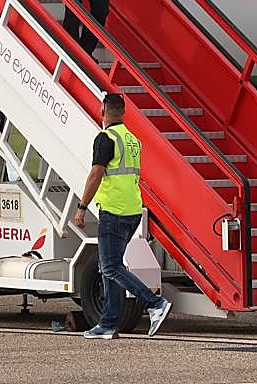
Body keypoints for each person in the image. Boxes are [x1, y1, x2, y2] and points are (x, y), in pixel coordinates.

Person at [73, 94, 172, 339]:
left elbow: (96, 174)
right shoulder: (132, 139)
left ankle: (154, 303)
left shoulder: (105, 138)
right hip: (132, 210)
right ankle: (108, 324)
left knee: (110, 266)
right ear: (124, 111)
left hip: (114, 211)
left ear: (103, 109)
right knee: (109, 267)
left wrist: (82, 207)